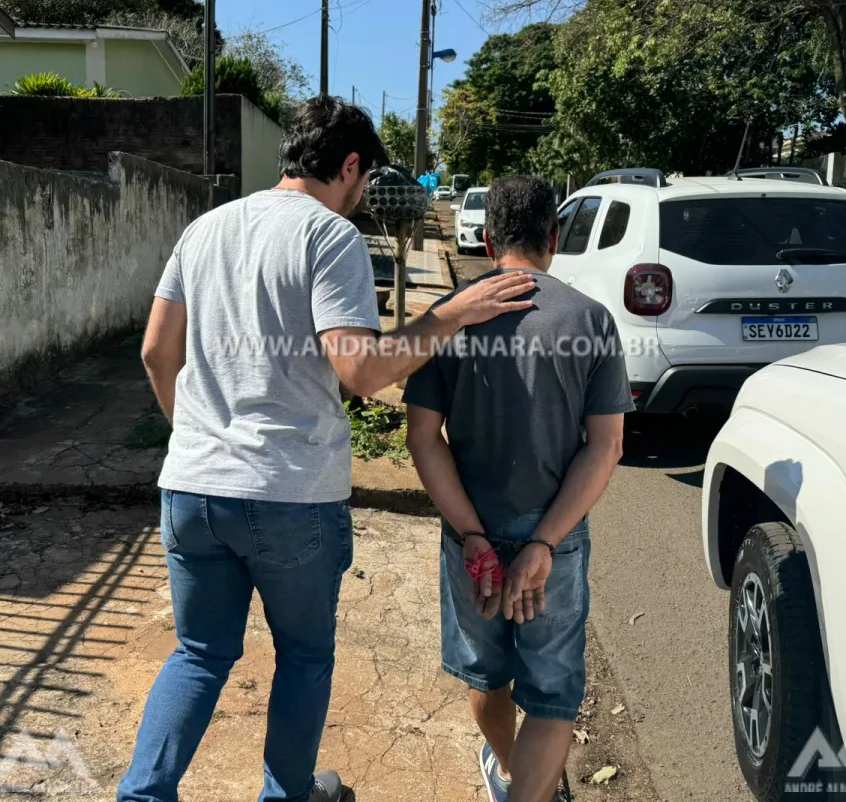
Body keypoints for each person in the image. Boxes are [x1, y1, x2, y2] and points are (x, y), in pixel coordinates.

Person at [118, 97, 536, 802]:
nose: (363, 194)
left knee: (199, 653)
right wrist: (450, 314)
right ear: (349, 166)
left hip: (191, 486)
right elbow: (364, 371)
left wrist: (193, 435)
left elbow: (158, 351)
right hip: (289, 494)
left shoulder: (204, 229)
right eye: (365, 179)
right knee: (304, 657)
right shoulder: (329, 237)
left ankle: (143, 794)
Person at [404, 176, 633, 802]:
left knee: (488, 676)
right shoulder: (590, 320)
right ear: (554, 239)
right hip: (551, 541)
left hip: (468, 533)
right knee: (553, 696)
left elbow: (424, 439)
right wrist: (543, 543)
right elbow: (606, 447)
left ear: (485, 238)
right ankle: (535, 784)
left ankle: (513, 772)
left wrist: (474, 536)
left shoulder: (447, 319)